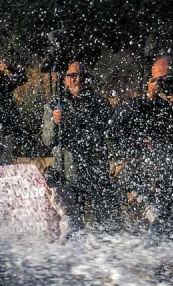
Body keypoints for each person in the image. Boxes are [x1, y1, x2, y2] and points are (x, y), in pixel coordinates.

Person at [118, 56, 173, 238]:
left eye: (167, 80)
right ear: (150, 80)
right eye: (159, 80)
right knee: (128, 177)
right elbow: (117, 126)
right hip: (149, 172)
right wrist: (149, 97)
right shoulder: (144, 104)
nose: (163, 85)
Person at [42, 61, 114, 225]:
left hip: (95, 176)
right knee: (70, 226)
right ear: (65, 80)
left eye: (83, 75)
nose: (78, 79)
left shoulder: (100, 104)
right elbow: (47, 140)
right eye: (73, 75)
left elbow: (110, 133)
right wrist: (54, 121)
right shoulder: (54, 105)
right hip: (66, 176)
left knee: (103, 228)